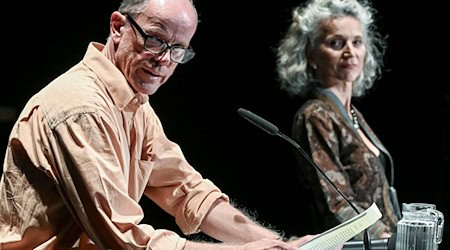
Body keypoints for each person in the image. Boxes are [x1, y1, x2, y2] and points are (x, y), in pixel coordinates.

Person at [0, 0, 323, 249]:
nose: (164, 61)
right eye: (155, 40)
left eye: (178, 49)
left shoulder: (133, 102)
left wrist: (279, 243)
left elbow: (188, 191)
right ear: (117, 27)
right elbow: (123, 240)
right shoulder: (82, 107)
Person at [275, 0, 402, 241]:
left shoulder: (352, 114)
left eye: (357, 42)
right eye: (336, 43)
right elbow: (336, 205)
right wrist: (386, 240)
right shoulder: (316, 115)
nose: (350, 52)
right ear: (311, 54)